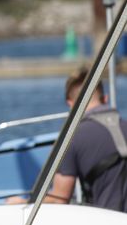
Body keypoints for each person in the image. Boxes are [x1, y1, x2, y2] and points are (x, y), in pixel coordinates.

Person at [8, 67, 127, 211]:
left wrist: (22, 203)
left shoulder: (72, 138)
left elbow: (60, 198)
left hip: (109, 224)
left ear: (70, 103)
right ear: (105, 98)